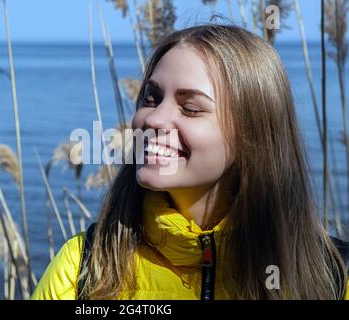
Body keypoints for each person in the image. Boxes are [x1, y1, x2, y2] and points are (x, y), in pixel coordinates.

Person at [31, 24, 348, 300]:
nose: (154, 118)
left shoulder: (332, 276)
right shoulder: (83, 267)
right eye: (151, 98)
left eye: (191, 108)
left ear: (253, 134)